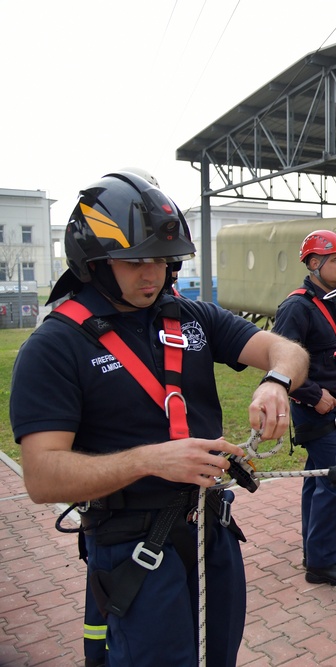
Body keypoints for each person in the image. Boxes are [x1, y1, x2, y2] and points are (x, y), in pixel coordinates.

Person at [9, 172, 308, 666]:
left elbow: (286, 349)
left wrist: (276, 380)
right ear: (95, 262)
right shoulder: (55, 346)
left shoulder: (189, 317)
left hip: (211, 531)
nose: (152, 274)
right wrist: (151, 460)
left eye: (162, 260)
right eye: (134, 261)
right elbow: (41, 476)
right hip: (133, 548)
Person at [273, 230, 336, 585]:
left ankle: (318, 548)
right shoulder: (297, 307)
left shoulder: (334, 301)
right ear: (314, 263)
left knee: (318, 479)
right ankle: (321, 562)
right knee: (335, 479)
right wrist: (314, 396)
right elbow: (281, 363)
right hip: (317, 408)